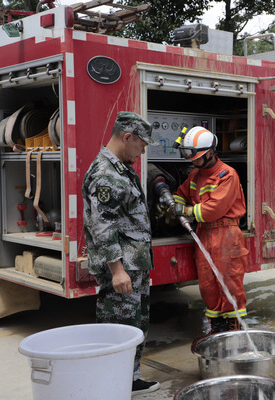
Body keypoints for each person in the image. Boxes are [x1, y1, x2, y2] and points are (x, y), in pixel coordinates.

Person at [82, 111, 160, 395]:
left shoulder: (121, 170)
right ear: (127, 137)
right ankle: (110, 384)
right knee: (117, 328)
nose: (142, 151)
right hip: (122, 268)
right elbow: (102, 226)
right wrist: (117, 270)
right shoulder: (106, 174)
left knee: (134, 326)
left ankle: (129, 379)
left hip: (133, 265)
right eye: (140, 144)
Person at [170, 126, 249, 334]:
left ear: (210, 154)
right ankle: (217, 330)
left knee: (229, 283)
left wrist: (184, 210)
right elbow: (181, 193)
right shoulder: (196, 174)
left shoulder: (227, 175)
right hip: (205, 234)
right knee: (207, 286)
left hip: (226, 234)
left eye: (195, 157)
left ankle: (233, 332)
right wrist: (171, 205)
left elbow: (213, 209)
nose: (191, 161)